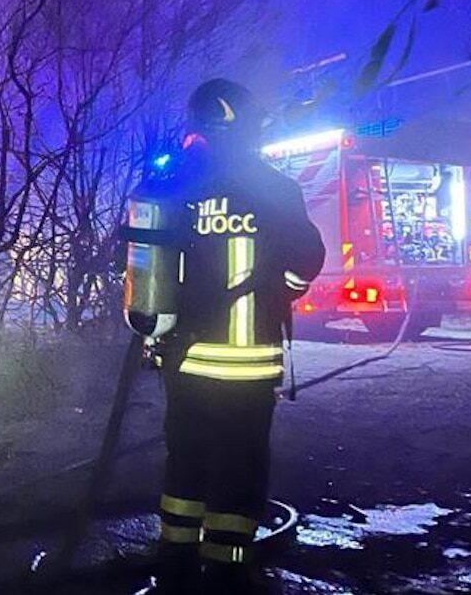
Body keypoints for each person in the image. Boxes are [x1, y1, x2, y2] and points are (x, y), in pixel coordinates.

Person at [125, 79, 325, 593]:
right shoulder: (276, 188)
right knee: (240, 461)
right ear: (248, 126)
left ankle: (175, 559)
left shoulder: (172, 187)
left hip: (184, 357)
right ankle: (228, 567)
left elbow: (144, 266)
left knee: (186, 456)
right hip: (250, 361)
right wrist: (279, 292)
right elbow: (307, 260)